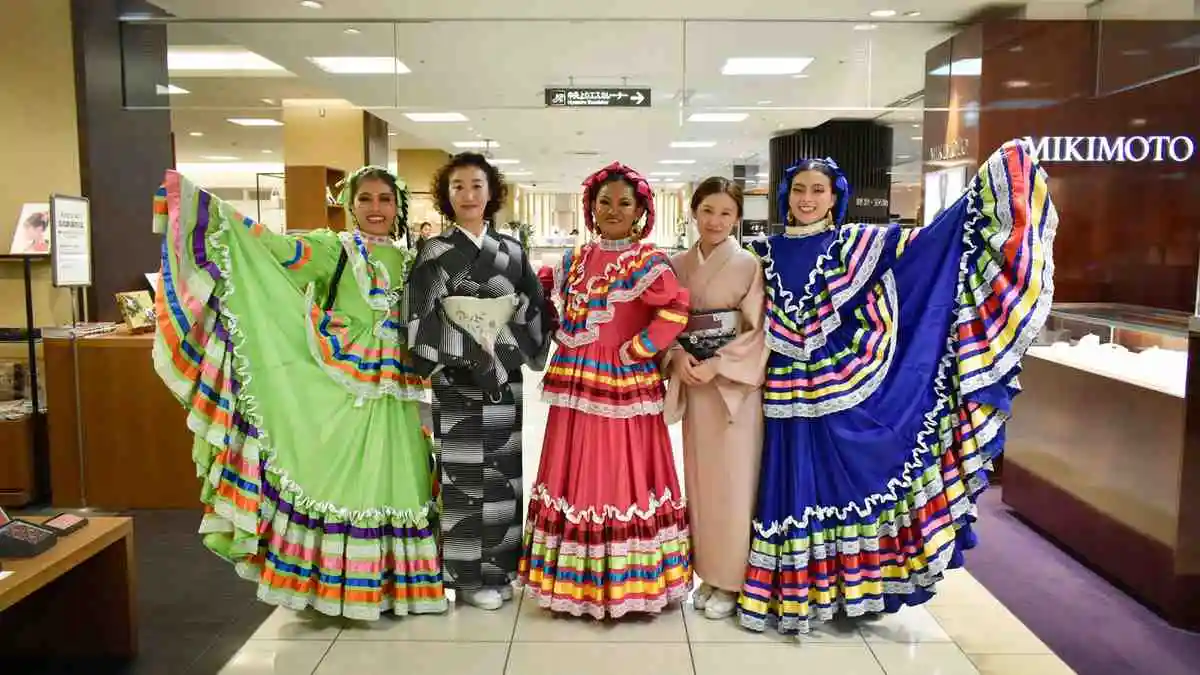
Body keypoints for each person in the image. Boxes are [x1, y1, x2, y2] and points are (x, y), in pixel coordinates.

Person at [736, 139, 1057, 635]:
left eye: (817, 190)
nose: (806, 199)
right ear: (785, 197)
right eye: (798, 190)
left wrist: (981, 197)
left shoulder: (860, 243)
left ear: (834, 197)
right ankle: (789, 592)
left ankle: (847, 592)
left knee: (847, 480)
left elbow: (929, 249)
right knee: (787, 481)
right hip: (781, 388)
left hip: (845, 386)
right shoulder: (763, 251)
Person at [152, 165, 447, 620]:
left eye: (384, 200)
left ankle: (393, 585)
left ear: (399, 207)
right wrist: (217, 214)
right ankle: (339, 587)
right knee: (340, 478)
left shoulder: (411, 261)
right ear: (351, 205)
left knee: (400, 476)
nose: (375, 208)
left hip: (397, 390)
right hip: (343, 386)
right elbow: (274, 250)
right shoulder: (334, 249)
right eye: (365, 199)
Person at [519, 162, 692, 619]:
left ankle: (626, 584)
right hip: (576, 382)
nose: (612, 210)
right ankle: (574, 583)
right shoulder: (574, 261)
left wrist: (641, 348)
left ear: (640, 211)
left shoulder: (649, 261)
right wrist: (551, 325)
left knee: (619, 472)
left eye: (624, 203)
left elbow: (675, 311)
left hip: (624, 383)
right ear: (591, 207)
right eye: (604, 202)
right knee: (573, 467)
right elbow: (545, 299)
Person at [404, 152, 549, 611]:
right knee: (466, 474)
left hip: (503, 376)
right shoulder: (433, 253)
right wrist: (470, 353)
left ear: (492, 192)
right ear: (447, 197)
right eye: (458, 187)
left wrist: (509, 337)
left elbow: (535, 308)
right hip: (459, 377)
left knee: (504, 470)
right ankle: (468, 577)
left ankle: (501, 567)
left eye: (477, 185)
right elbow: (420, 318)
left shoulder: (512, 251)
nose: (468, 194)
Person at [662, 177, 767, 621]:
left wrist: (720, 363)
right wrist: (675, 356)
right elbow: (664, 322)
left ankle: (734, 579)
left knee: (733, 484)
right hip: (694, 382)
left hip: (733, 388)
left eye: (726, 213)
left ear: (737, 218)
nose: (716, 221)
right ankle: (708, 573)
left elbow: (760, 330)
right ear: (694, 212)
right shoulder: (676, 264)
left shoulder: (750, 265)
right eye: (708, 211)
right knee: (701, 483)